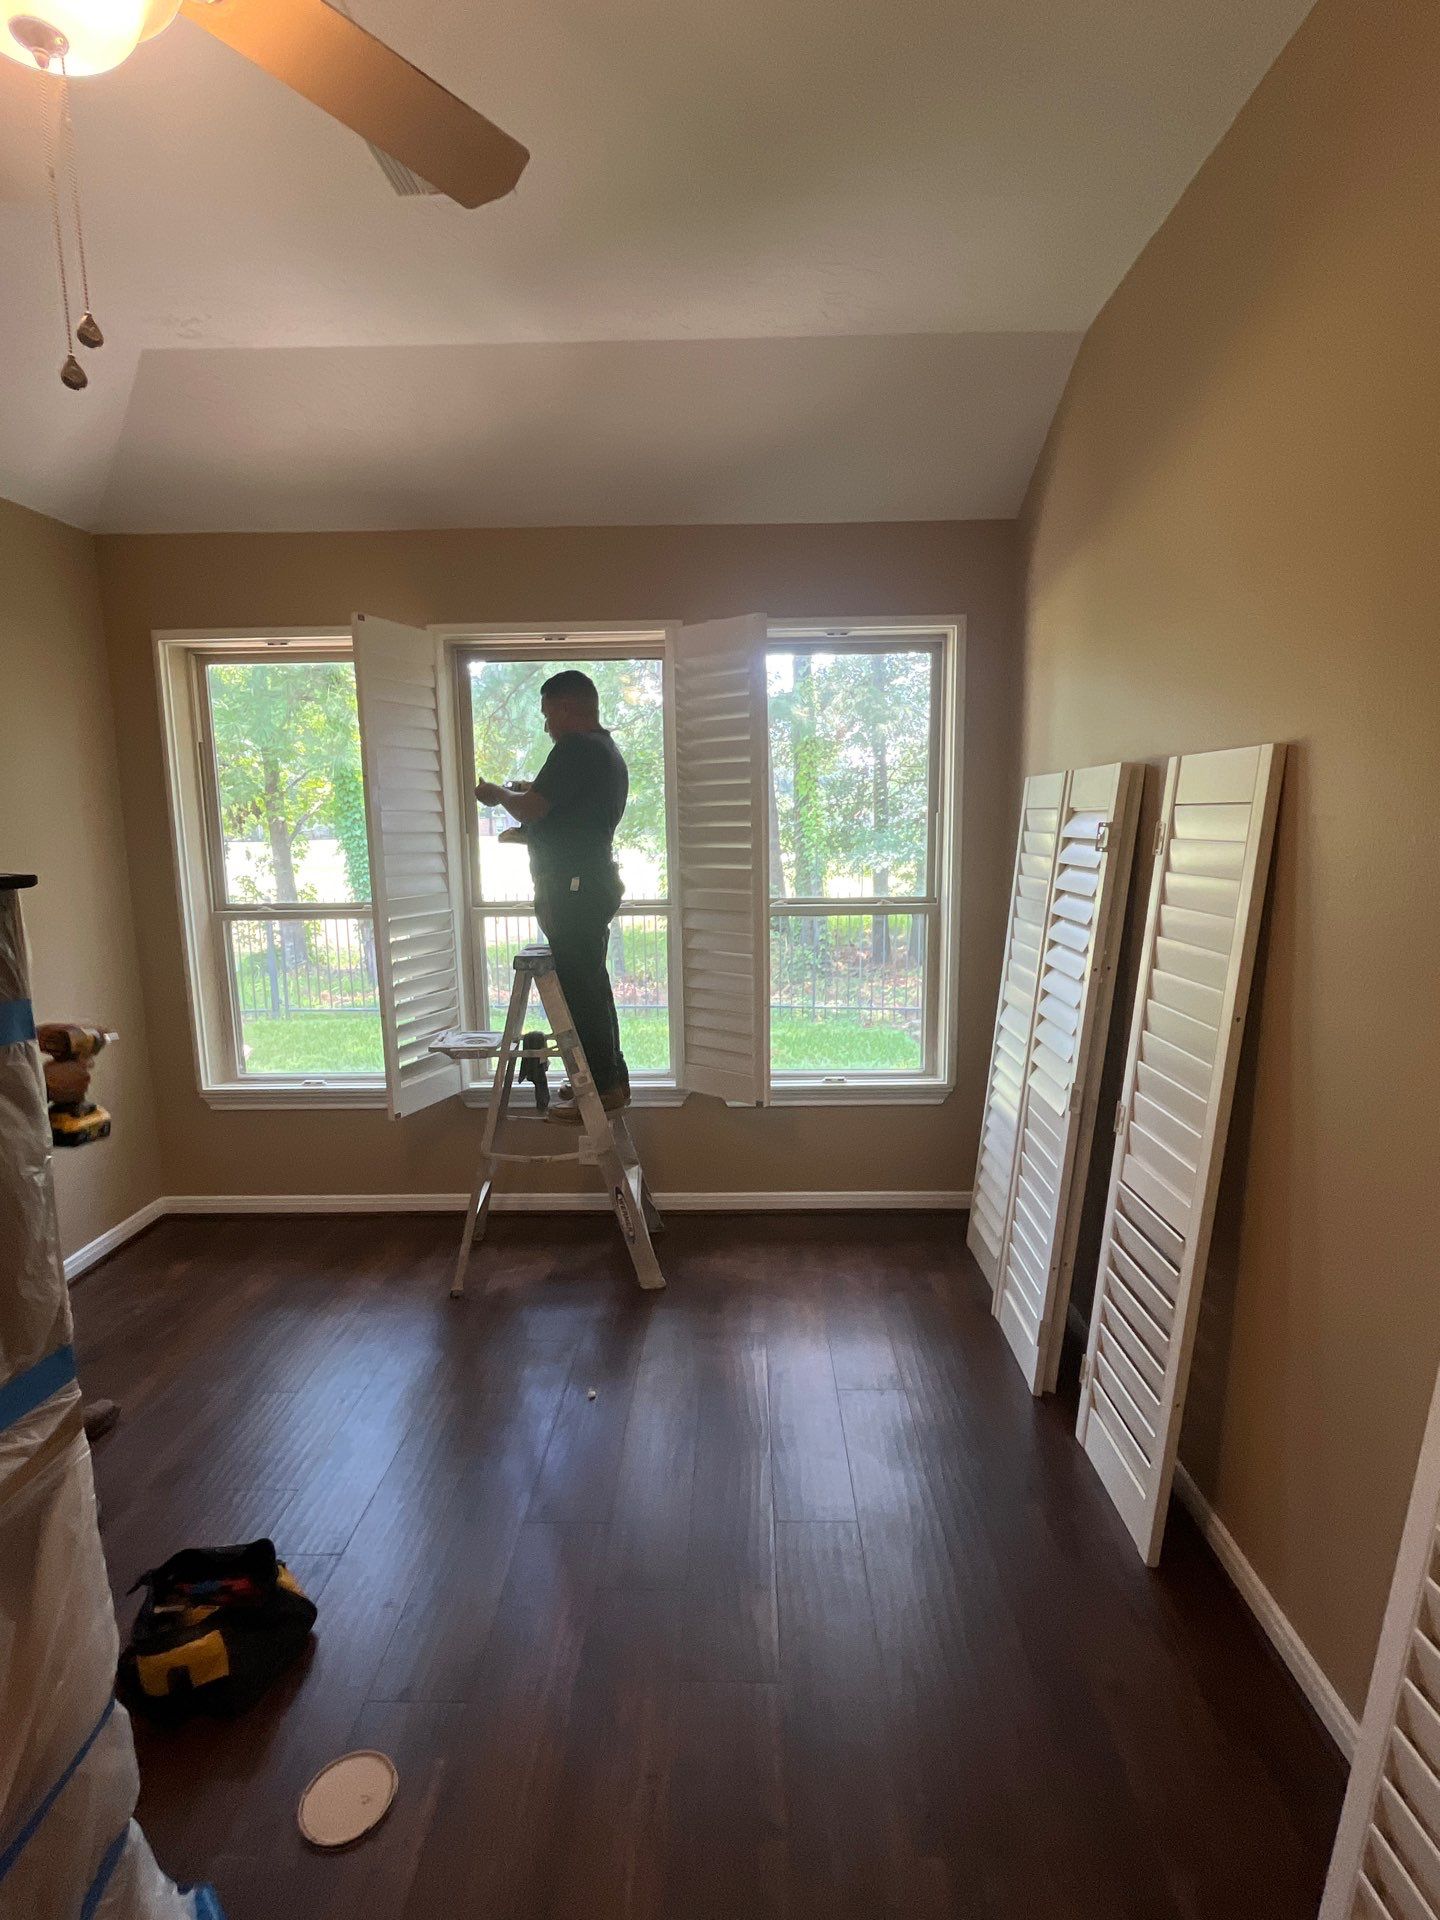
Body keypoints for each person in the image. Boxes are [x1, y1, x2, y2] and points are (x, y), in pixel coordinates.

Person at [474, 670, 630, 1122]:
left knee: (581, 991)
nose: (547, 726)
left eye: (548, 715)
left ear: (565, 706)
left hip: (574, 889)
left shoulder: (577, 747)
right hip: (587, 881)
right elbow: (572, 821)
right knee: (591, 986)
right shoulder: (604, 751)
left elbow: (535, 807)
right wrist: (531, 834)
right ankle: (610, 1081)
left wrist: (498, 793)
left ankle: (601, 1091)